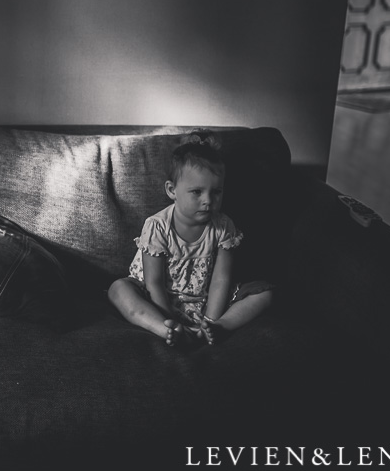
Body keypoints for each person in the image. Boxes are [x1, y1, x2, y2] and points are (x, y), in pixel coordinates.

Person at [107, 131, 273, 347]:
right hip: (158, 299)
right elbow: (153, 282)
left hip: (205, 298)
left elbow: (221, 279)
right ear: (172, 190)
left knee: (265, 294)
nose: (208, 201)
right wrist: (169, 318)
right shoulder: (157, 226)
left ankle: (220, 327)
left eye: (216, 192)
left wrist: (210, 320)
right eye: (197, 192)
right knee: (118, 289)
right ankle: (163, 328)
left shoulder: (223, 227)